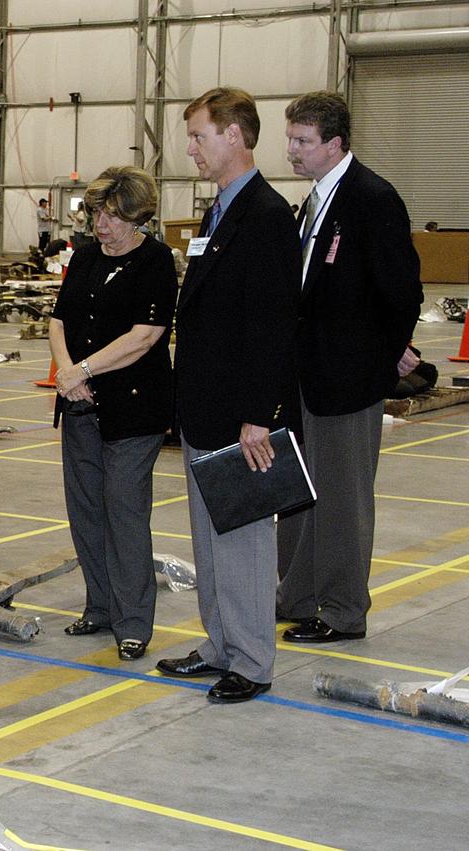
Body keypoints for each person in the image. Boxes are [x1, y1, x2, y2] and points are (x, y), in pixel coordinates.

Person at [154, 87, 300, 704]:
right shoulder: (219, 213)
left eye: (198, 136)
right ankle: (220, 645)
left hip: (240, 415)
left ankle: (252, 660)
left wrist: (256, 417)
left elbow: (272, 326)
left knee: (241, 539)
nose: (191, 148)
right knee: (210, 538)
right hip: (204, 408)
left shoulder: (264, 216)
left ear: (233, 136)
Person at [276, 91, 423, 643]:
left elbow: (402, 290)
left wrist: (380, 362)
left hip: (347, 381)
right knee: (296, 490)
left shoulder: (372, 200)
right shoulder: (313, 202)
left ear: (335, 144)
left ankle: (341, 610)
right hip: (304, 376)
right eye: (291, 139)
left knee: (341, 499)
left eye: (302, 142)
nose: (291, 151)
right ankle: (296, 594)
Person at [49, 166, 176, 661]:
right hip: (78, 402)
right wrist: (66, 373)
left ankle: (133, 622)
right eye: (97, 212)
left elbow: (145, 337)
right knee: (85, 511)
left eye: (113, 215)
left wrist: (81, 369)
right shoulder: (83, 258)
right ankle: (99, 606)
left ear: (138, 216)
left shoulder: (156, 260)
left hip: (134, 409)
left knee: (124, 513)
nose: (102, 224)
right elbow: (58, 320)